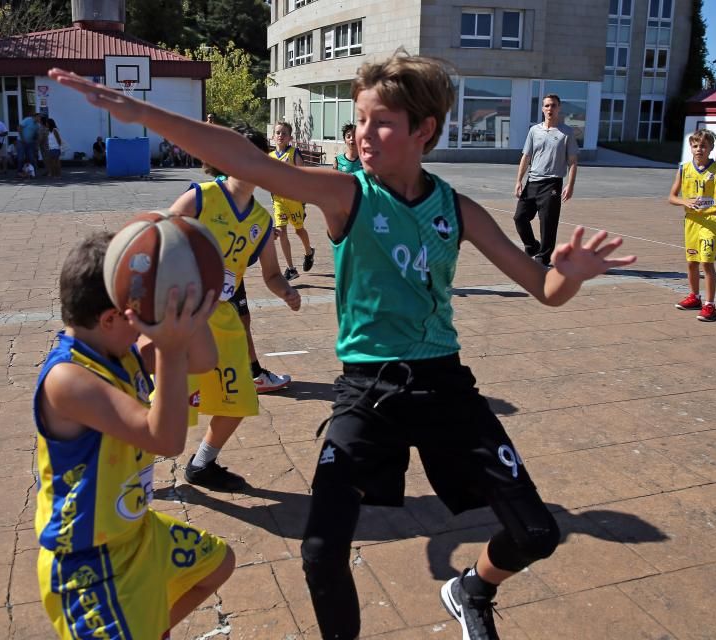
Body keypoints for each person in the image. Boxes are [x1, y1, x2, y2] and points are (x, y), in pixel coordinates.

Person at [49, 50, 634, 640]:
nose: (363, 133)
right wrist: (139, 110)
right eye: (359, 119)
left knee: (537, 533)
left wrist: (570, 273)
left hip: (444, 384)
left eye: (380, 121)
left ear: (423, 130)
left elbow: (544, 289)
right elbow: (241, 156)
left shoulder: (456, 209)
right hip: (367, 389)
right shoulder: (347, 194)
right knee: (321, 552)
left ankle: (472, 589)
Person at [34, 232, 233, 640]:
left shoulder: (118, 348)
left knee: (218, 564)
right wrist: (169, 347)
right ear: (111, 319)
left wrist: (186, 302)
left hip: (135, 532)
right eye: (144, 313)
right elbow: (165, 439)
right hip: (89, 563)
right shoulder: (67, 380)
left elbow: (205, 359)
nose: (151, 323)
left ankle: (147, 629)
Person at [167, 124, 302, 491]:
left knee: (238, 401)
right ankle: (126, 473)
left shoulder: (260, 221)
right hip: (186, 318)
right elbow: (158, 243)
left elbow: (272, 274)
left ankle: (201, 465)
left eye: (256, 157)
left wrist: (286, 291)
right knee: (169, 408)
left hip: (223, 321)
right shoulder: (200, 199)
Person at [668, 129, 716, 322]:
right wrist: (685, 202)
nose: (699, 149)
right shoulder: (684, 169)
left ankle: (710, 305)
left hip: (711, 221)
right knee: (692, 263)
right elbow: (672, 197)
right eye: (695, 145)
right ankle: (694, 297)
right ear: (691, 147)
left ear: (711, 148)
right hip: (692, 221)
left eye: (703, 146)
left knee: (707, 262)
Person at [513, 94, 579, 268]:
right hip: (532, 181)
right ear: (542, 109)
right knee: (520, 217)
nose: (550, 109)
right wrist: (519, 180)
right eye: (547, 106)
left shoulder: (567, 133)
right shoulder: (534, 130)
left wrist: (570, 185)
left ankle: (543, 256)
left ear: (559, 108)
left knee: (548, 222)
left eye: (554, 106)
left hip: (552, 183)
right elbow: (526, 157)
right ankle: (532, 246)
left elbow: (572, 162)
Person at [269, 122, 315, 281]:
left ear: (290, 137)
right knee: (281, 231)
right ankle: (291, 269)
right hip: (278, 200)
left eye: (284, 133)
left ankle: (309, 252)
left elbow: (304, 176)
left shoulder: (294, 153)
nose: (280, 135)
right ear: (273, 136)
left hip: (294, 200)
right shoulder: (270, 157)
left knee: (299, 230)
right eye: (278, 132)